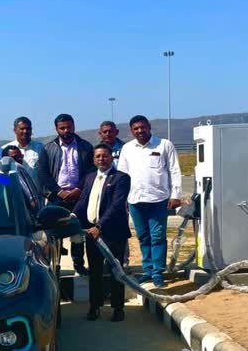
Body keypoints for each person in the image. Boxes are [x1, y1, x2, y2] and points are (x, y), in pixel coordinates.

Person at [118, 115, 182, 288]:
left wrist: (175, 195)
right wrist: (121, 199)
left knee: (157, 237)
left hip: (158, 200)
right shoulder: (127, 148)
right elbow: (122, 176)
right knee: (143, 237)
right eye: (136, 128)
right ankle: (147, 270)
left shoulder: (164, 145)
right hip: (135, 200)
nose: (140, 131)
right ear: (131, 130)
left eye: (143, 127)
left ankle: (158, 272)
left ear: (149, 127)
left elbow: (174, 171)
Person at [73, 144, 131, 322]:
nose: (101, 159)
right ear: (93, 159)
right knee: (95, 272)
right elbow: (83, 200)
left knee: (116, 272)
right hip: (91, 233)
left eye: (105, 156)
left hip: (112, 233)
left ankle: (118, 308)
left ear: (111, 158)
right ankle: (94, 306)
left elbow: (116, 205)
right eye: (97, 156)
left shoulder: (121, 178)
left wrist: (100, 226)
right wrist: (72, 216)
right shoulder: (90, 177)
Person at [37, 113, 95, 275]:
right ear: (56, 129)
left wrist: (79, 189)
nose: (66, 130)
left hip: (79, 196)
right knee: (55, 234)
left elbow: (91, 170)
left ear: (74, 126)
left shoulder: (85, 147)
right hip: (57, 197)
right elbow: (43, 173)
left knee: (78, 233)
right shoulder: (48, 148)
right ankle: (55, 266)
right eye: (62, 128)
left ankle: (79, 265)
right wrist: (58, 192)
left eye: (69, 127)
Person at [98, 120, 130, 271]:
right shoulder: (97, 151)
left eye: (111, 131)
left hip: (121, 191)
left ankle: (123, 260)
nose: (108, 134)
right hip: (103, 194)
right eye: (104, 132)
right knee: (103, 224)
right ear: (100, 133)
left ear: (116, 132)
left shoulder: (126, 148)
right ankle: (104, 261)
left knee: (120, 226)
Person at [4, 116, 44, 188]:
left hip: (35, 194)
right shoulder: (5, 149)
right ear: (15, 130)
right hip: (14, 193)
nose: (25, 131)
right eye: (22, 129)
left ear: (31, 130)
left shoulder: (40, 148)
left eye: (28, 129)